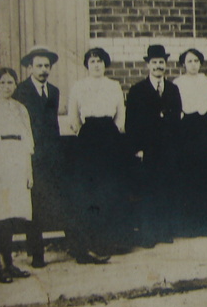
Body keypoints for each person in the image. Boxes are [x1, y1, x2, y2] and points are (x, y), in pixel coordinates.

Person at [67, 47, 126, 261]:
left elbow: (121, 114)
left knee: (108, 187)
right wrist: (82, 131)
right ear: (87, 65)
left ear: (105, 64)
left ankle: (107, 242)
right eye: (92, 61)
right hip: (89, 137)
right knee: (89, 189)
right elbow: (72, 116)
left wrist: (115, 131)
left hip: (109, 136)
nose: (96, 65)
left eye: (100, 61)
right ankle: (86, 244)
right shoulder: (79, 86)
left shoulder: (114, 85)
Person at [125, 45, 182, 245]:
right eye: (154, 62)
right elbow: (131, 123)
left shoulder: (173, 89)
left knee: (165, 189)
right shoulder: (137, 90)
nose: (158, 66)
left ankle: (164, 232)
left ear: (166, 65)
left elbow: (176, 118)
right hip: (147, 149)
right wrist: (137, 149)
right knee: (148, 191)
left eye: (161, 62)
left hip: (167, 148)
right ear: (147, 65)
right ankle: (148, 234)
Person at [11, 46, 61, 268]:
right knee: (34, 206)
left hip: (51, 156)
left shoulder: (54, 91)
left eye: (46, 66)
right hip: (30, 156)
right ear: (30, 67)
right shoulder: (20, 91)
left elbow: (53, 125)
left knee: (53, 200)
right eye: (39, 65)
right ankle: (36, 253)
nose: (43, 70)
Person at [0, 68, 37, 283]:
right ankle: (1, 265)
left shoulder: (21, 109)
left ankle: (10, 263)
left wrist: (28, 172)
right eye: (2, 83)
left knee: (12, 215)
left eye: (10, 82)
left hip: (18, 161)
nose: (6, 87)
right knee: (0, 215)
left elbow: (28, 142)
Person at [173, 47, 207, 235]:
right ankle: (190, 223)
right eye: (189, 61)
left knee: (206, 173)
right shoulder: (178, 83)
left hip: (204, 127)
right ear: (183, 64)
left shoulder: (205, 80)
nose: (193, 65)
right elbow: (177, 110)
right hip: (188, 128)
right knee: (189, 173)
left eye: (196, 61)